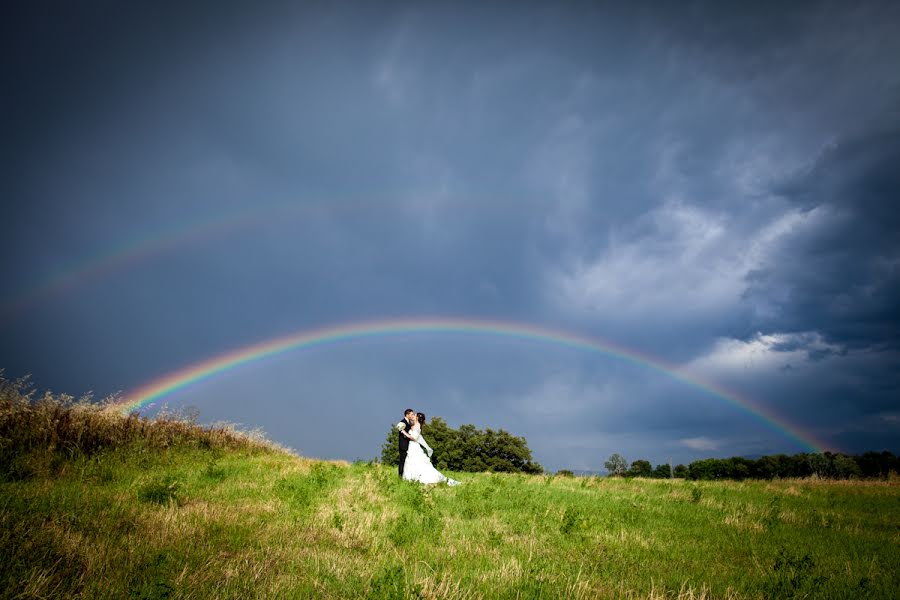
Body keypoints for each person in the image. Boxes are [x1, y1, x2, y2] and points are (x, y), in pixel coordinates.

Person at [400, 412, 460, 486]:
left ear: (417, 418)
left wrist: (404, 433)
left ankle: (420, 478)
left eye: (415, 415)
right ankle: (411, 479)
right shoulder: (413, 425)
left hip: (414, 446)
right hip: (411, 446)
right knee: (410, 461)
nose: (413, 416)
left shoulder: (417, 426)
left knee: (416, 461)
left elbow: (414, 437)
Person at [397, 408, 415, 478]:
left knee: (406, 462)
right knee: (402, 461)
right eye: (411, 414)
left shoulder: (409, 422)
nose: (412, 415)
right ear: (407, 414)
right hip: (403, 445)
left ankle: (405, 476)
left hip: (408, 445)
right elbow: (403, 434)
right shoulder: (402, 422)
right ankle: (400, 476)